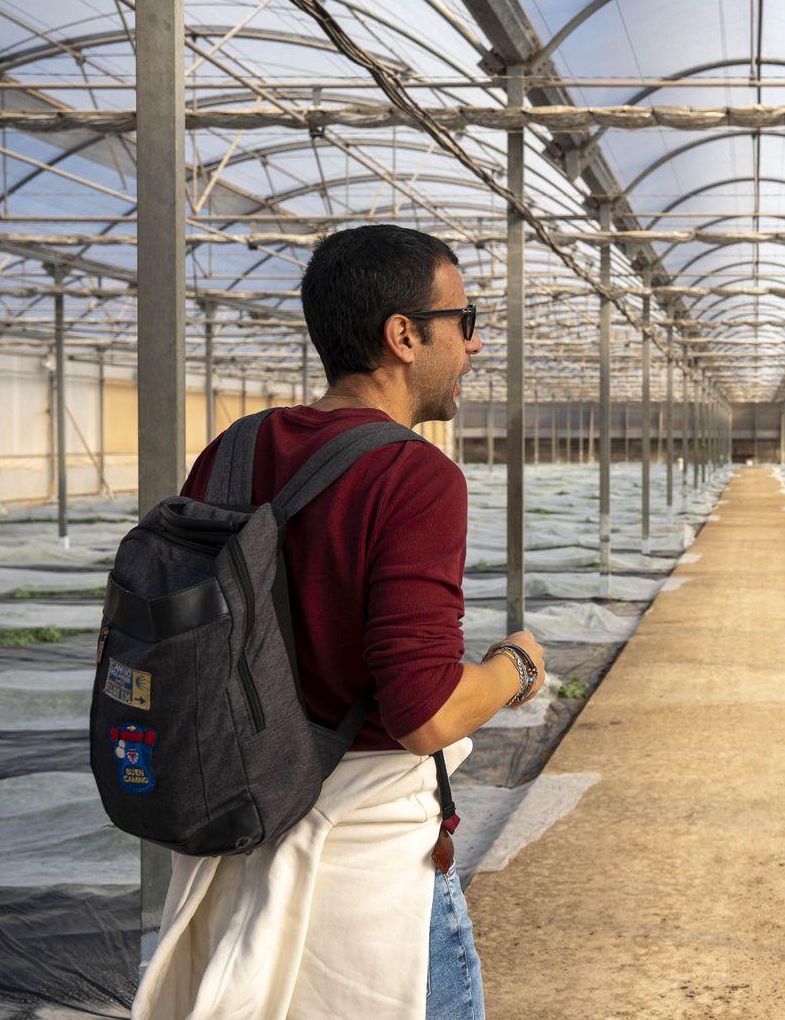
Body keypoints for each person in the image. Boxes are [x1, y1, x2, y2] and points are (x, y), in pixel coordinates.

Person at [133, 224, 544, 1020]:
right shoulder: (415, 475)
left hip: (234, 825)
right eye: (464, 321)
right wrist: (517, 669)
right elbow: (422, 713)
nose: (475, 344)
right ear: (403, 335)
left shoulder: (233, 449)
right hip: (363, 864)